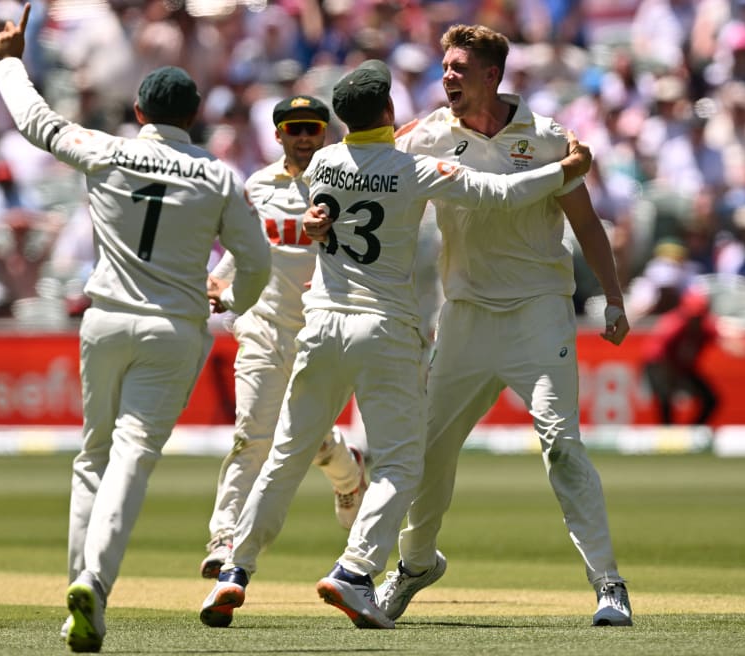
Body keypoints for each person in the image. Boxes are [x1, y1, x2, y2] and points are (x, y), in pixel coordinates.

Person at [199, 59, 593, 630]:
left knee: (283, 456)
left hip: (322, 325)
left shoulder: (324, 164)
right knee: (403, 463)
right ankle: (356, 570)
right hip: (384, 328)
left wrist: (316, 223)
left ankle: (235, 570)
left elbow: (320, 216)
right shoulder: (414, 167)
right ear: (388, 112)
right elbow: (501, 194)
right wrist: (564, 169)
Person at [0, 6, 271, 652]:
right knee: (131, 458)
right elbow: (255, 261)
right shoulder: (217, 175)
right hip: (174, 329)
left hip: (105, 321)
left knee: (92, 457)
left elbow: (35, 122)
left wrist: (10, 58)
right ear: (193, 117)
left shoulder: (108, 149)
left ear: (140, 112)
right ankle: (93, 581)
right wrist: (230, 301)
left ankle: (79, 597)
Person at [377, 24, 634, 627]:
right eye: (445, 66)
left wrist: (614, 298)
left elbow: (587, 225)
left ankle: (609, 583)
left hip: (538, 311)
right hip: (463, 315)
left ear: (492, 75)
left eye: (460, 68)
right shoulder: (426, 137)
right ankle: (415, 564)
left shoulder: (547, 139)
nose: (448, 77)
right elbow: (371, 174)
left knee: (562, 445)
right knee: (426, 452)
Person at [200, 94, 368, 580]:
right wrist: (221, 278)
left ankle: (348, 471)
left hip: (321, 329)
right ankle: (224, 537)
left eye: (312, 128)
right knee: (252, 435)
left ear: (325, 132)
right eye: (293, 129)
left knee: (307, 441)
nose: (303, 137)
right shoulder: (257, 186)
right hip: (264, 329)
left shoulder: (344, 184)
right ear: (278, 135)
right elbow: (248, 250)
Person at [641, 285, 745, 425]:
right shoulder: (673, 325)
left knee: (711, 399)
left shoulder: (704, 325)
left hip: (683, 368)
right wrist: (672, 377)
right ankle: (667, 433)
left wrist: (740, 348)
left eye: (699, 317)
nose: (696, 321)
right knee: (665, 397)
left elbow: (722, 338)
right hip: (662, 367)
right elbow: (655, 355)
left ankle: (694, 432)